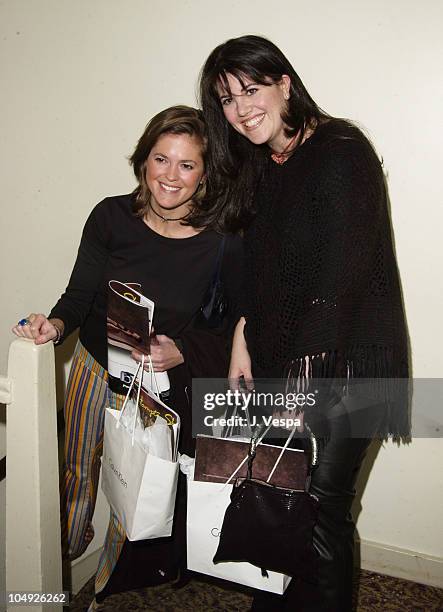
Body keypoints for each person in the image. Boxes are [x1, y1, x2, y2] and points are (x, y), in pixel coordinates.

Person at [199, 35, 409, 612]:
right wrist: (243, 334)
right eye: (227, 99)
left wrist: (301, 385)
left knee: (322, 514)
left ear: (284, 84)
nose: (241, 109)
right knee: (285, 497)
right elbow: (256, 272)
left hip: (348, 367)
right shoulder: (263, 167)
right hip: (287, 360)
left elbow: (340, 276)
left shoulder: (340, 150)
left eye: (251, 89)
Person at [12, 105, 242, 607]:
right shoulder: (110, 217)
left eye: (187, 165)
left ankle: (100, 591)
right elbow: (78, 296)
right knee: (75, 474)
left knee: (131, 493)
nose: (171, 177)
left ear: (205, 175)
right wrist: (53, 324)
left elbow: (238, 329)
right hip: (96, 367)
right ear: (143, 161)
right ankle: (50, 577)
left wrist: (183, 350)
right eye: (161, 160)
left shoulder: (222, 242)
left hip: (151, 389)